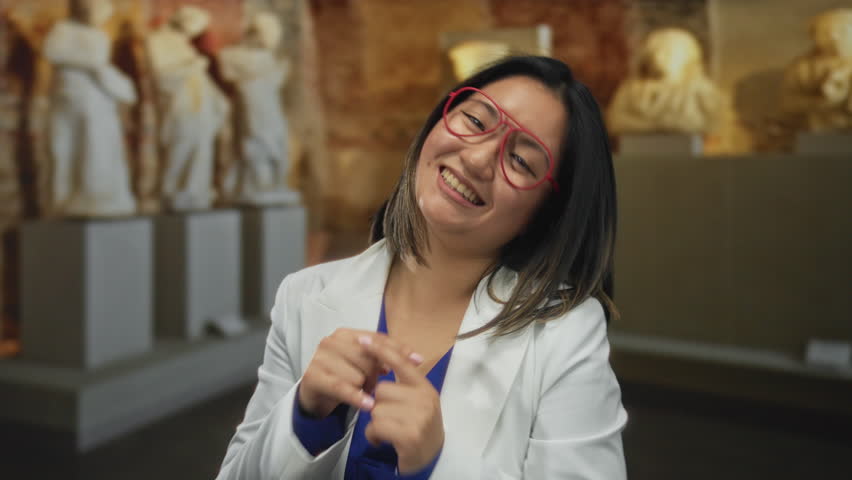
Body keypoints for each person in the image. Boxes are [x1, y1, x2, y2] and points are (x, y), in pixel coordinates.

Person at [216, 56, 627, 479]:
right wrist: (305, 417)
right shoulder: (303, 295)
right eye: (475, 120)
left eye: (521, 161)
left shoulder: (565, 333)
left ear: (546, 213)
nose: (479, 158)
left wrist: (435, 464)